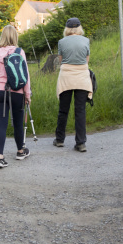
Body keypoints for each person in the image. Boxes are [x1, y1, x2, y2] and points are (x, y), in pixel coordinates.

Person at [0, 25, 32, 168]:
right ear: (15, 36)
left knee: (1, 123)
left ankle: (0, 158)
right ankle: (20, 151)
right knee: (18, 122)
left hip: (0, 91)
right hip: (17, 91)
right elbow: (25, 75)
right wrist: (27, 94)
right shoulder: (19, 52)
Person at [54, 17, 93, 152]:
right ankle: (80, 143)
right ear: (79, 28)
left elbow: (61, 60)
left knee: (63, 110)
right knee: (80, 110)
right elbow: (86, 60)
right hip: (82, 76)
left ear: (67, 28)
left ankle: (59, 140)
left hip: (66, 77)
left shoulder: (61, 42)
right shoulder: (86, 41)